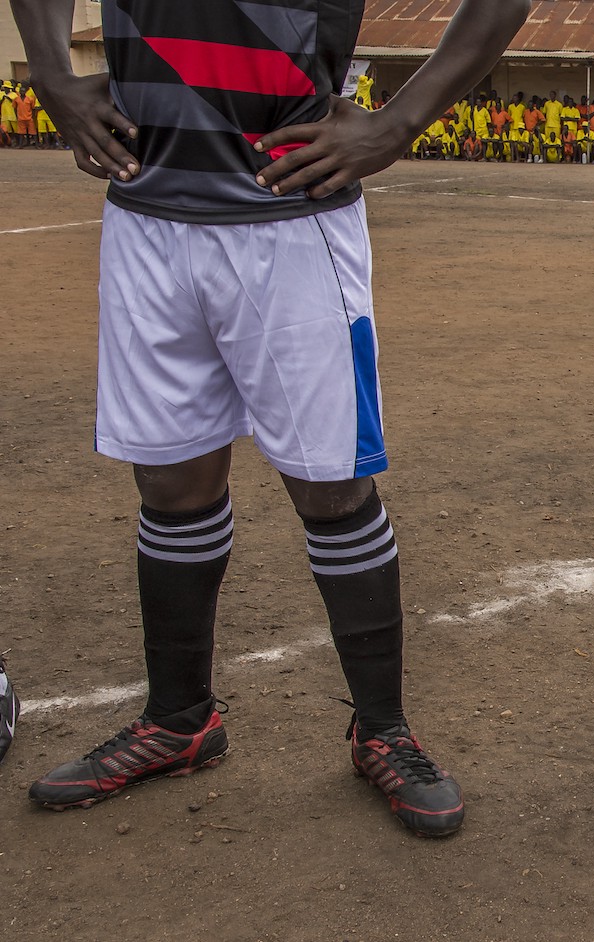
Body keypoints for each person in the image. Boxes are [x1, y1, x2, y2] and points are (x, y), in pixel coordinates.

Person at [11, 0, 530, 837]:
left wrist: (399, 123)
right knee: (171, 480)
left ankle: (383, 732)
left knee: (331, 487)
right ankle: (180, 722)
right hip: (147, 214)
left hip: (289, 217)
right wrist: (52, 78)